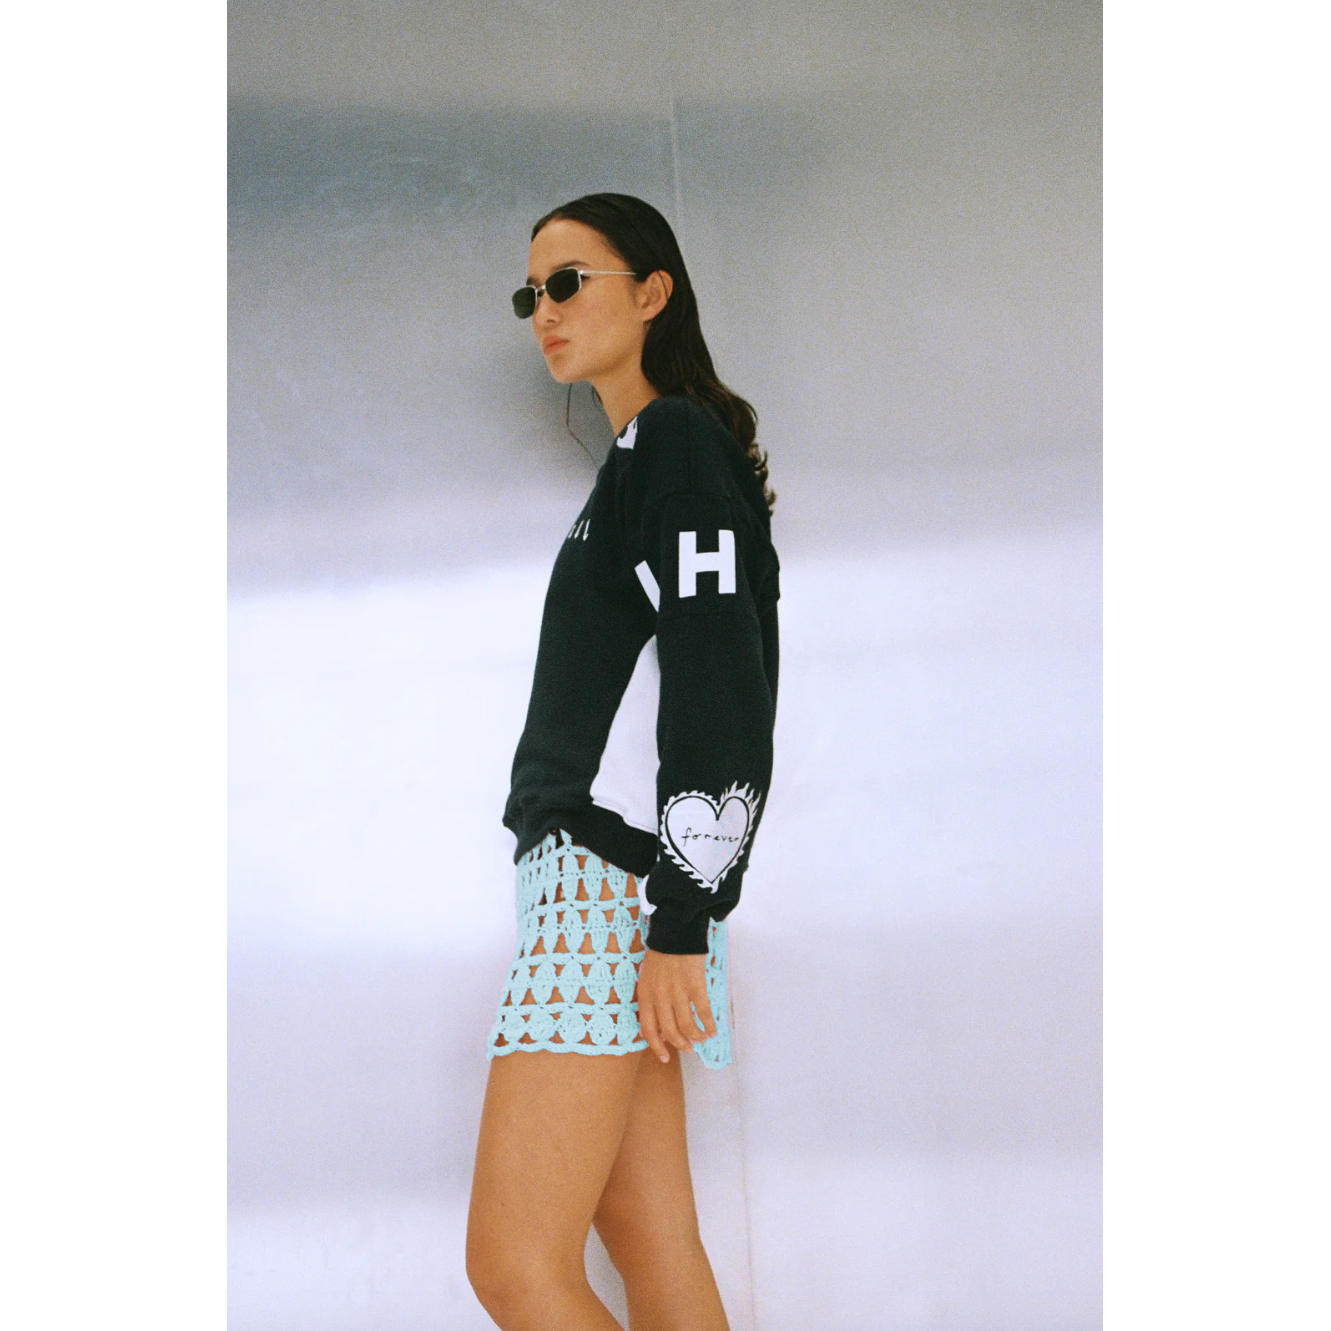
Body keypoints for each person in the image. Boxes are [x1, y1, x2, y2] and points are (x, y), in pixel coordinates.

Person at [465, 192, 780, 1331]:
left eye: (569, 282)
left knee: (514, 1266)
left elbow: (720, 683)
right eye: (530, 295)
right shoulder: (642, 460)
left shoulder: (678, 447)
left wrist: (681, 917)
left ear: (651, 292)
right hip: (602, 885)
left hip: (605, 896)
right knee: (651, 1241)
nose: (544, 310)